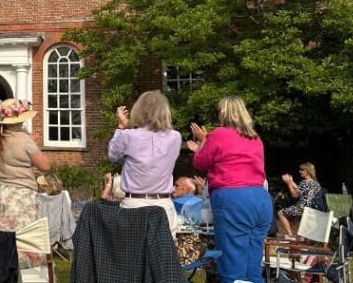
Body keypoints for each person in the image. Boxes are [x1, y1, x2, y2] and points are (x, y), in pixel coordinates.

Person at [187, 96, 272, 283]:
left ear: (224, 113)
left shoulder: (219, 133)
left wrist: (202, 144)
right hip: (260, 199)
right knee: (253, 268)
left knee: (232, 267)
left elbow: (200, 161)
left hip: (234, 199)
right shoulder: (255, 138)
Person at [0, 98, 50, 275]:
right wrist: (34, 145)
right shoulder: (24, 140)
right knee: (26, 246)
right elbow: (45, 166)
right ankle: (28, 275)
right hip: (20, 201)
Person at [107, 90, 182, 235]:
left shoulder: (128, 136)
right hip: (163, 203)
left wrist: (122, 127)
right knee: (164, 256)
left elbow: (113, 155)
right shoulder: (175, 137)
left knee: (133, 255)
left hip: (134, 204)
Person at [277, 162, 322, 240]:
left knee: (280, 213)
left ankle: (290, 236)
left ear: (308, 171)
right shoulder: (316, 184)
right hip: (311, 209)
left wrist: (288, 183)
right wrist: (291, 181)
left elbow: (295, 195)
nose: (300, 171)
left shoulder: (304, 182)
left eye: (302, 170)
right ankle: (302, 238)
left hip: (302, 208)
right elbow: (300, 190)